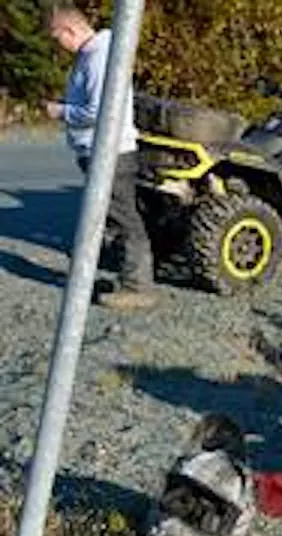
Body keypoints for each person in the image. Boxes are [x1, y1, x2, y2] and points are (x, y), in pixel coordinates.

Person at [44, 2, 156, 311]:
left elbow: (99, 110)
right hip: (101, 153)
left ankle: (138, 287)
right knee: (110, 218)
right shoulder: (94, 54)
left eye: (57, 38)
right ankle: (123, 279)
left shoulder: (98, 57)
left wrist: (61, 111)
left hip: (111, 154)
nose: (59, 46)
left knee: (124, 219)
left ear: (70, 30)